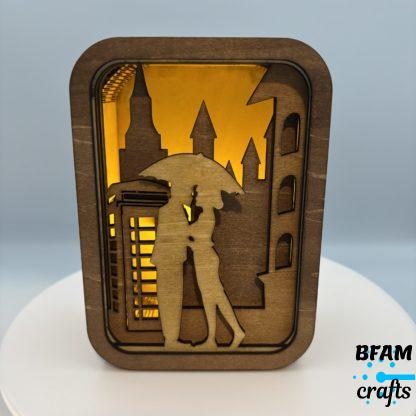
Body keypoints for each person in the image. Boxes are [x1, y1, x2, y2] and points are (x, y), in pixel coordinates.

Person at [188, 185, 245, 348]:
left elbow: (198, 240)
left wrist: (186, 240)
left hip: (205, 258)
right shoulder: (203, 216)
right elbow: (190, 232)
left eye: (198, 194)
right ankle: (211, 338)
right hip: (201, 258)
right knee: (208, 298)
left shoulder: (207, 216)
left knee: (217, 296)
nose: (196, 196)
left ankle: (237, 331)